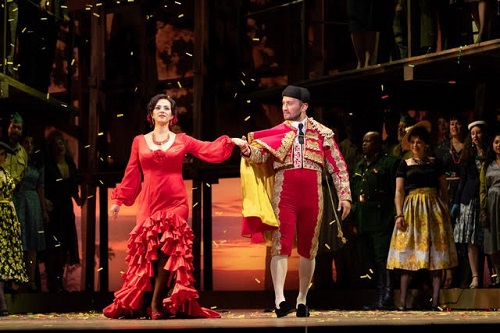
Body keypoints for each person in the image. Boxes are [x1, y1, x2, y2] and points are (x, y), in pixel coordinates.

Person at [103, 93, 244, 320]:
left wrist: (231, 142)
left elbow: (207, 149)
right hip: (149, 203)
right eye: (158, 107)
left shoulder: (182, 140)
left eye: (166, 108)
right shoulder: (139, 141)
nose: (162, 110)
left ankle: (157, 304)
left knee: (167, 252)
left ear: (172, 116)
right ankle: (145, 303)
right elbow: (131, 172)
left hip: (176, 202)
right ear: (151, 114)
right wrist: (118, 201)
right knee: (151, 255)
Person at [238, 85, 352, 318]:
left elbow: (337, 166)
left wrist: (345, 196)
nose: (284, 108)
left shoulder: (323, 133)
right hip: (284, 195)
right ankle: (280, 300)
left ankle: (302, 299)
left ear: (304, 106)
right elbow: (262, 157)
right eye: (283, 104)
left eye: (289, 103)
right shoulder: (277, 131)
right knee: (280, 245)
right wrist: (248, 150)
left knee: (309, 248)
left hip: (312, 196)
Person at [387, 121, 458, 311]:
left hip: (433, 210)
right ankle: (402, 302)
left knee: (436, 257)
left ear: (425, 144)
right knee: (408, 255)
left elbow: (444, 189)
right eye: (413, 142)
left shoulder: (436, 163)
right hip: (412, 210)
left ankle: (435, 302)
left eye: (419, 142)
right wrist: (399, 214)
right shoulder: (405, 164)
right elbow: (399, 191)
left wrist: (444, 211)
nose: (416, 145)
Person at [351, 131, 400, 310]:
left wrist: (396, 213)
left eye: (368, 141)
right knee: (370, 258)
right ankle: (379, 295)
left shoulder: (390, 163)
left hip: (382, 217)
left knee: (383, 258)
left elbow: (397, 190)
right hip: (364, 218)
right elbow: (355, 192)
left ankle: (387, 296)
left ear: (378, 143)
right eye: (363, 140)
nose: (364, 144)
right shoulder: (359, 166)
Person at [44, 130, 84, 293]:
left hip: (67, 210)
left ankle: (59, 284)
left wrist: (79, 199)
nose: (59, 147)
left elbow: (73, 188)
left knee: (65, 246)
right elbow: (44, 186)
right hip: (54, 210)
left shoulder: (70, 164)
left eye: (61, 143)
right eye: (56, 144)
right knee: (54, 247)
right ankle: (52, 283)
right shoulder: (49, 166)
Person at [451, 120, 488, 289]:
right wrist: (457, 202)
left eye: (478, 132)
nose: (475, 136)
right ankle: (475, 276)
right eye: (472, 133)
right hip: (470, 200)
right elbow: (463, 180)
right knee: (471, 240)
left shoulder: (490, 153)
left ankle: (494, 275)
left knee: (487, 239)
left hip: (487, 200)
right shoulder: (468, 154)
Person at [434, 115, 467, 288]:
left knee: (463, 237)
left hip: (463, 193)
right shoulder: (441, 149)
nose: (454, 126)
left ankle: (464, 275)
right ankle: (448, 273)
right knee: (446, 236)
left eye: (457, 123)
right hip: (445, 193)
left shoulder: (469, 148)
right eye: (451, 123)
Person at [14, 135, 48, 292]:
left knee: (32, 243)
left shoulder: (37, 163)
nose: (29, 145)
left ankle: (31, 279)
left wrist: (43, 210)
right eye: (26, 142)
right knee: (19, 241)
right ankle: (16, 279)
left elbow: (40, 186)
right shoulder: (14, 160)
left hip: (33, 202)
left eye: (31, 142)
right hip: (18, 200)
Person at [0, 141, 28, 315]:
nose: (2, 157)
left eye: (3, 154)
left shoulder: (4, 171)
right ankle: (1, 301)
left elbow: (9, 198)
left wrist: (15, 220)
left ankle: (2, 300)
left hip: (7, 217)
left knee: (4, 258)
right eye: (1, 154)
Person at [480, 132, 500, 287]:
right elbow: (483, 188)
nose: (499, 145)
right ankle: (498, 275)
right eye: (496, 142)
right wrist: (483, 209)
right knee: (492, 240)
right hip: (492, 204)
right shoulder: (487, 164)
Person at [1, 112, 28, 187]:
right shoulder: (1, 148)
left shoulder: (23, 152)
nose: (16, 130)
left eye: (19, 128)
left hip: (14, 195)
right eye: (13, 127)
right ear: (8, 128)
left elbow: (23, 175)